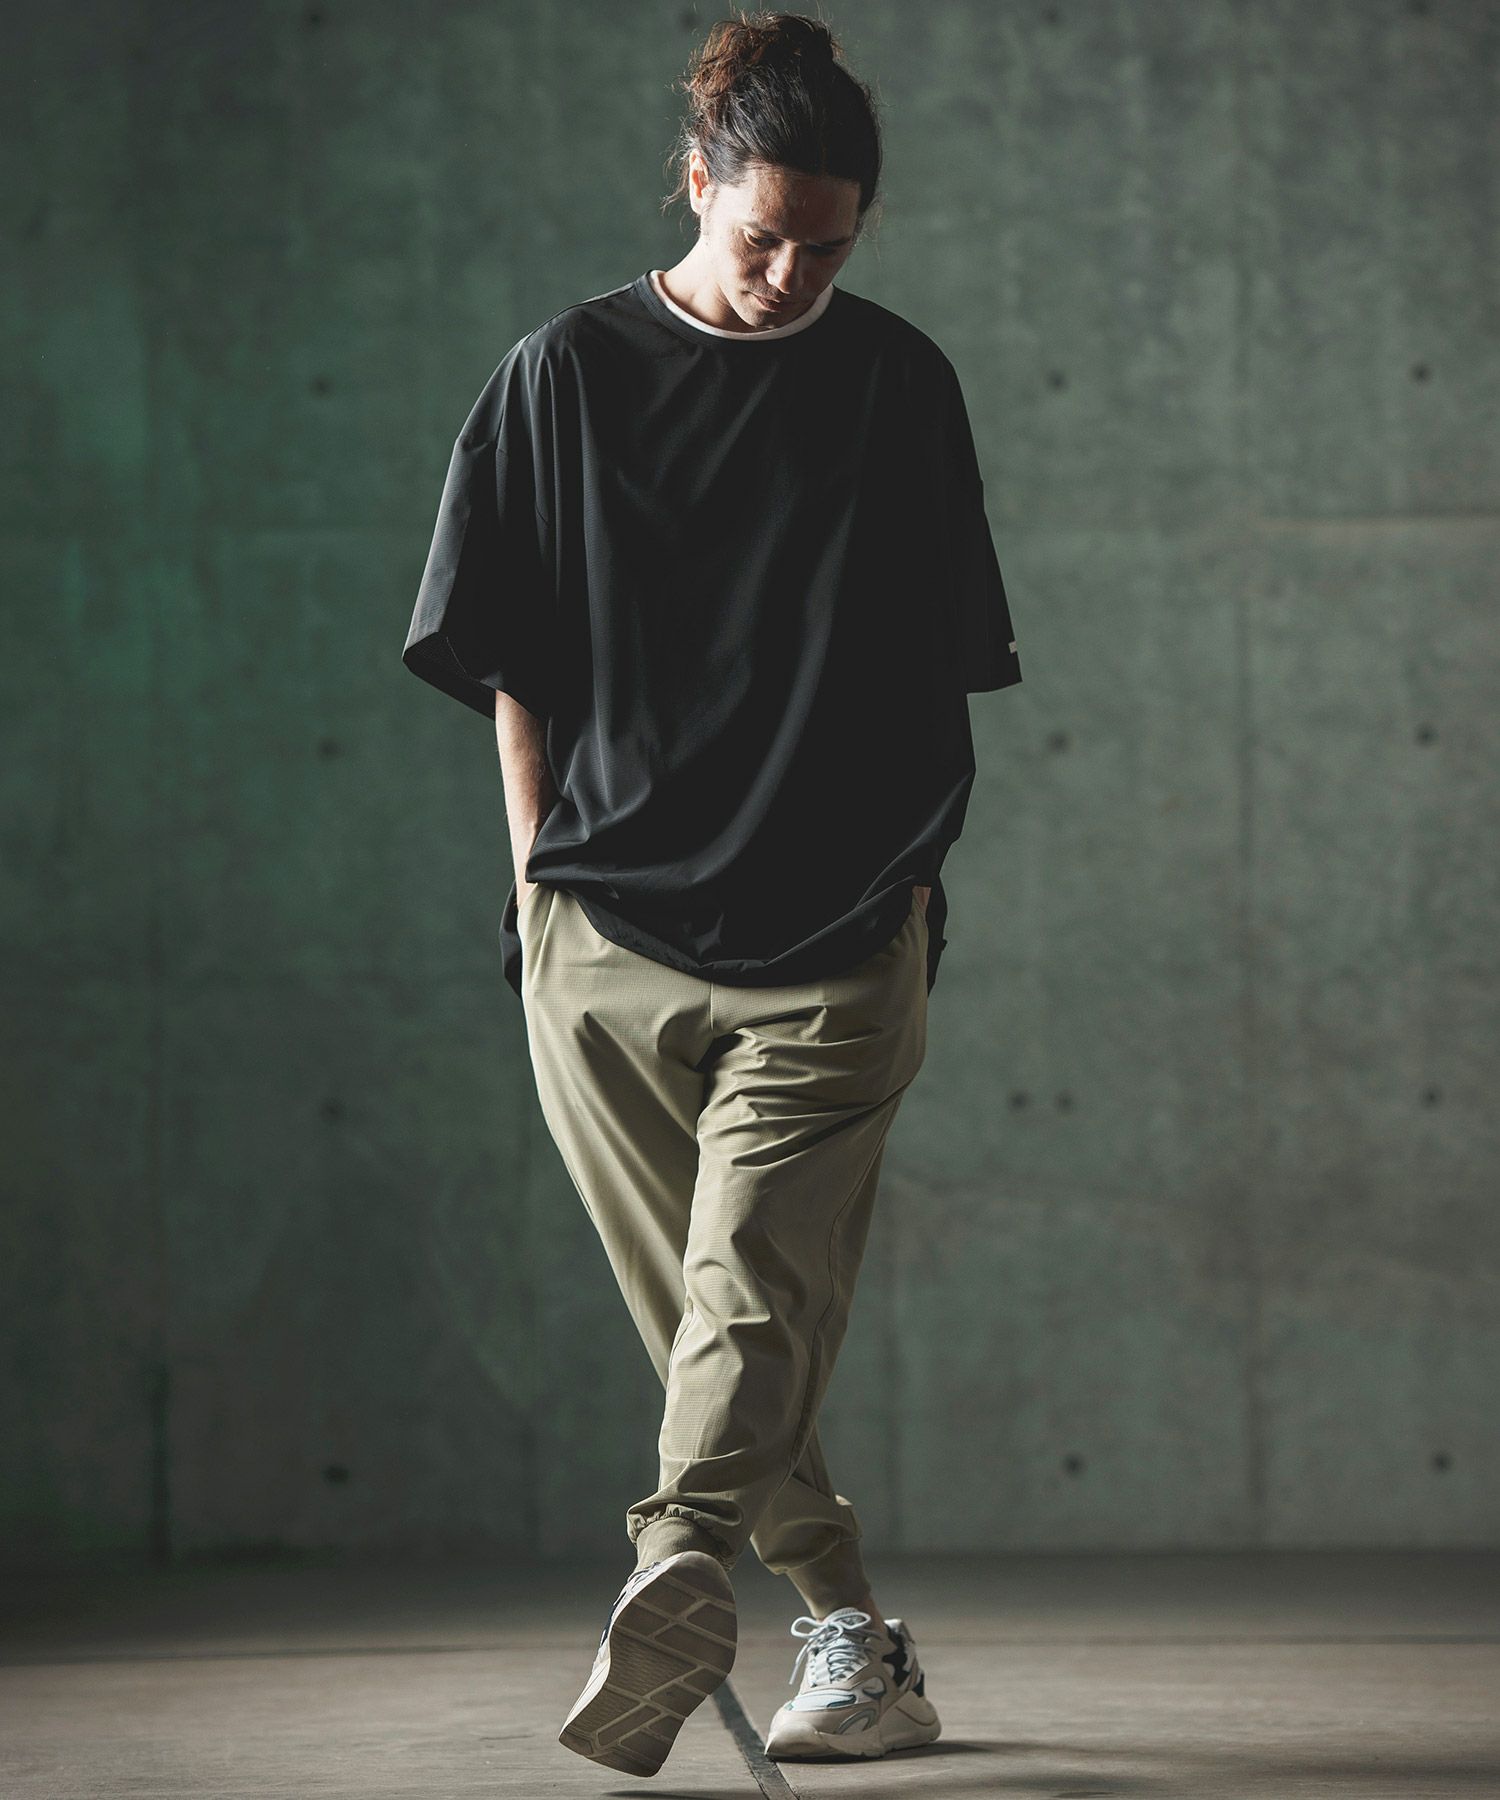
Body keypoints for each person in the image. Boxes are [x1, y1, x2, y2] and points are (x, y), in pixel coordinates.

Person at [402, 9, 1022, 1777]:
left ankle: (675, 1559)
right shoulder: (560, 376)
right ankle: (856, 1636)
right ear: (695, 184)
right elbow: (510, 659)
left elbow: (941, 659)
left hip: (838, 937)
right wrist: (537, 889)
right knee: (722, 1325)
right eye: (764, 235)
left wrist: (909, 894)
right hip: (603, 938)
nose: (790, 275)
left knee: (747, 1286)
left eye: (828, 247)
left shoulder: (898, 384)